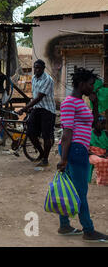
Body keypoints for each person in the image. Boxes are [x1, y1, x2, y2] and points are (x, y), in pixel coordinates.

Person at [57, 67, 107, 242]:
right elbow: (67, 132)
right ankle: (88, 230)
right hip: (74, 149)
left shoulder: (81, 102)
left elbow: (94, 125)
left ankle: (64, 225)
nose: (93, 88)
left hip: (77, 149)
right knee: (80, 192)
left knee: (70, 190)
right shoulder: (70, 102)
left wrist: (94, 104)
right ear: (81, 84)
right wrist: (63, 159)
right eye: (91, 84)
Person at [18, 59, 56, 167]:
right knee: (30, 132)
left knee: (46, 136)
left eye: (39, 68)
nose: (37, 69)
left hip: (47, 110)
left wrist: (25, 107)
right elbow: (34, 96)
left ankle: (45, 159)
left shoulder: (48, 80)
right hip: (37, 108)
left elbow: (39, 97)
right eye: (35, 67)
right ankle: (42, 153)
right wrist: (31, 107)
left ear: (43, 68)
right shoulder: (34, 78)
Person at [88, 116, 108, 186]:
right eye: (102, 123)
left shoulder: (105, 134)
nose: (103, 126)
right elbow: (86, 150)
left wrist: (106, 154)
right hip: (92, 154)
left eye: (104, 123)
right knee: (101, 161)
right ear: (95, 124)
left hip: (104, 154)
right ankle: (102, 182)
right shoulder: (89, 134)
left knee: (104, 160)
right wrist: (98, 155)